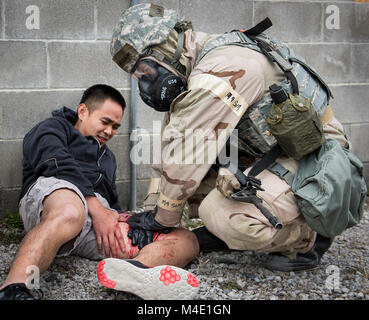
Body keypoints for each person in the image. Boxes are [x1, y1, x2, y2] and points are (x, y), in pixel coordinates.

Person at [104, 2, 366, 292]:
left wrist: (160, 220)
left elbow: (187, 156)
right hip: (277, 152)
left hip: (319, 163)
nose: (145, 83)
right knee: (194, 192)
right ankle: (241, 231)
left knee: (218, 212)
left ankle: (308, 237)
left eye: (145, 70)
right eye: (138, 76)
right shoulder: (197, 70)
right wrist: (153, 208)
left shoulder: (219, 68)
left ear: (165, 46)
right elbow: (172, 143)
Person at [0, 84, 200, 300]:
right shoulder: (53, 127)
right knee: (71, 211)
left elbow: (111, 202)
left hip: (95, 221)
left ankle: (136, 272)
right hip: (56, 200)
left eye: (115, 126)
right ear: (83, 111)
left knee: (186, 238)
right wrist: (96, 208)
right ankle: (15, 288)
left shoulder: (108, 158)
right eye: (105, 122)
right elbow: (56, 162)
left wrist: (121, 217)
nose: (109, 131)